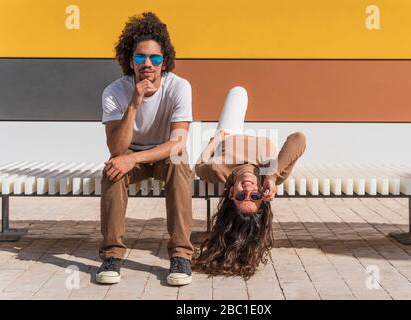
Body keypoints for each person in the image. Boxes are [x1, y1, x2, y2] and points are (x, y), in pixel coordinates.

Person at [96, 12, 194, 286]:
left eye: (155, 58)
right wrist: (134, 104)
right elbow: (116, 148)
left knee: (179, 163)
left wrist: (134, 159)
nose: (148, 63)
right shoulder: (114, 92)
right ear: (130, 61)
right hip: (130, 152)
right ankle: (112, 255)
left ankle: (181, 256)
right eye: (140, 57)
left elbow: (177, 144)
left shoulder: (179, 88)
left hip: (163, 152)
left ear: (165, 62)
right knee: (113, 170)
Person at [192, 87, 306, 279]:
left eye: (240, 196)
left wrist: (215, 140)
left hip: (229, 133)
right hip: (261, 138)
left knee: (238, 91)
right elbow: (298, 139)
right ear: (263, 195)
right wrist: (270, 177)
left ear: (230, 194)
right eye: (254, 196)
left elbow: (199, 165)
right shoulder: (271, 176)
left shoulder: (218, 170)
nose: (247, 189)